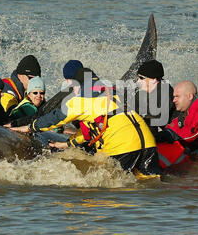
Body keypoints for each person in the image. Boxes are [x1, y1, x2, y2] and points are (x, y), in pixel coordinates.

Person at [10, 67, 162, 177]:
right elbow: (90, 131)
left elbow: (55, 118)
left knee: (114, 190)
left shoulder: (81, 101)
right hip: (148, 144)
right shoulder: (114, 95)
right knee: (149, 185)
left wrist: (30, 127)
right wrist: (66, 144)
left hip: (123, 148)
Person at [133, 59, 178, 136]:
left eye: (141, 78)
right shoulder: (142, 92)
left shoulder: (165, 91)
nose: (138, 81)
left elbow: (155, 118)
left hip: (179, 134)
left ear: (154, 79)